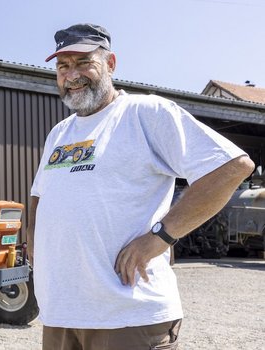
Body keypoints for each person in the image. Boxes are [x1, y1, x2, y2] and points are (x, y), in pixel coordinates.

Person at [27, 23, 255, 350]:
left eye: (83, 62)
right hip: (62, 315)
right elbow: (39, 194)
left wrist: (159, 238)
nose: (71, 74)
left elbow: (231, 167)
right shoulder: (59, 133)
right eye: (63, 66)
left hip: (129, 317)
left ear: (111, 63)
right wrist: (35, 242)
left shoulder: (144, 112)